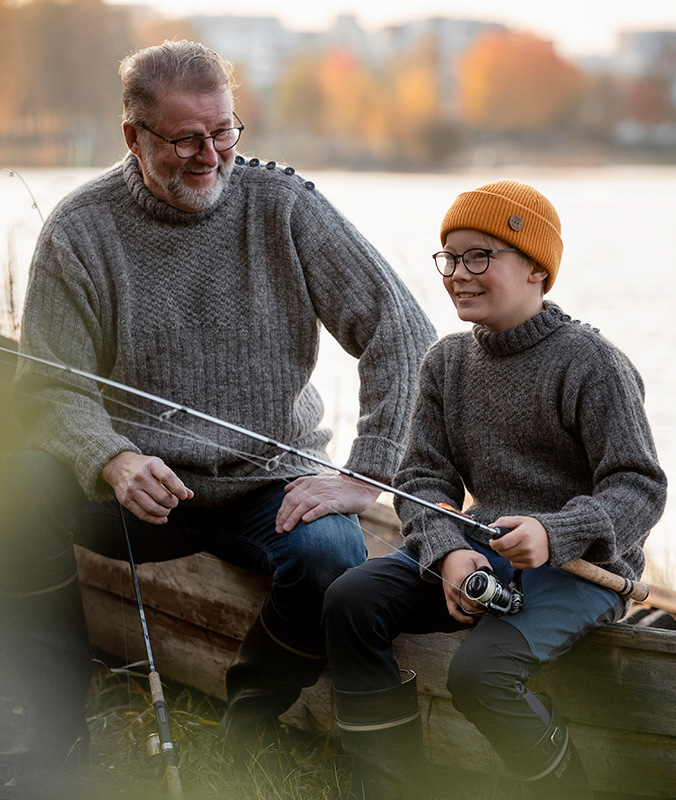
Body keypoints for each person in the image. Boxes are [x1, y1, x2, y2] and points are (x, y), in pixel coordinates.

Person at [0, 39, 436, 787]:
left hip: (270, 486)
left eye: (226, 131)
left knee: (333, 557)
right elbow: (54, 390)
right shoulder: (80, 231)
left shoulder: (285, 206)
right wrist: (110, 457)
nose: (211, 156)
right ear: (133, 136)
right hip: (133, 496)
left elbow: (402, 331)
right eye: (185, 140)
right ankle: (50, 720)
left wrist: (367, 473)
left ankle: (251, 717)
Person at [323, 180, 667, 799]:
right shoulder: (445, 363)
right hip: (480, 555)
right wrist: (448, 550)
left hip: (582, 569)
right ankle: (391, 786)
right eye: (450, 257)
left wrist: (555, 532)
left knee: (481, 675)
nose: (458, 273)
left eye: (480, 256)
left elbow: (639, 487)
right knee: (351, 599)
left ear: (538, 269)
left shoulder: (591, 364)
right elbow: (423, 480)